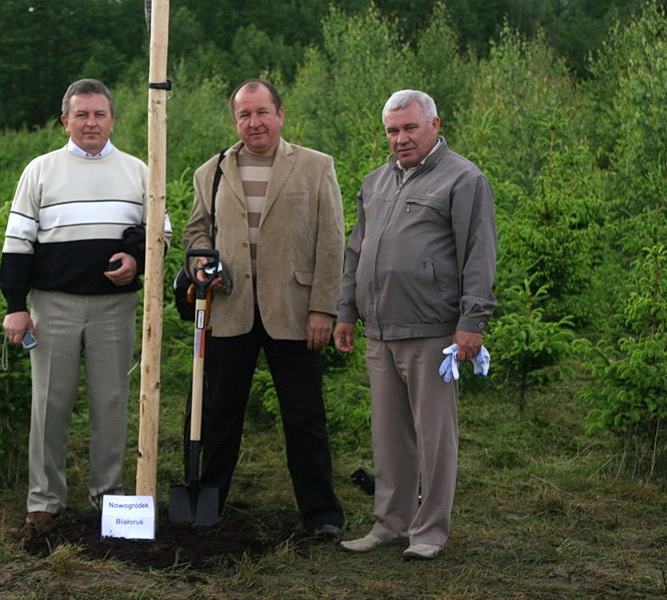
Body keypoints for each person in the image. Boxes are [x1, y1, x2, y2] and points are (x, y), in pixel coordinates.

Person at [0, 79, 171, 533]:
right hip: (52, 306)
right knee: (50, 402)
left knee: (111, 402)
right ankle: (45, 499)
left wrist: (137, 259)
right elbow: (17, 244)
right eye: (81, 115)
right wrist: (16, 306)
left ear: (112, 119)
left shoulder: (139, 171)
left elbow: (161, 233)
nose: (90, 122)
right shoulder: (40, 171)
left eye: (99, 114)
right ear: (65, 121)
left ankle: (108, 498)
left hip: (113, 309)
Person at [334, 90, 496, 559]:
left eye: (409, 128)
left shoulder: (464, 180)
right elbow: (355, 253)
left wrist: (472, 321)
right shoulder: (375, 182)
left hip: (433, 331)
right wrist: (347, 310)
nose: (400, 139)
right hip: (379, 331)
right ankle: (390, 524)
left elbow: (479, 256)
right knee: (388, 435)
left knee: (434, 435)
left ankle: (429, 532)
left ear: (434, 125)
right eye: (392, 130)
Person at [182, 79, 345, 539]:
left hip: (294, 311)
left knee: (305, 418)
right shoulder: (211, 171)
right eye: (244, 115)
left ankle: (322, 515)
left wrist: (323, 309)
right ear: (235, 120)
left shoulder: (316, 167)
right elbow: (197, 233)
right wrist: (202, 265)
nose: (253, 123)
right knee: (217, 414)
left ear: (280, 114)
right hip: (229, 311)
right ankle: (208, 505)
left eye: (261, 113)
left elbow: (332, 243)